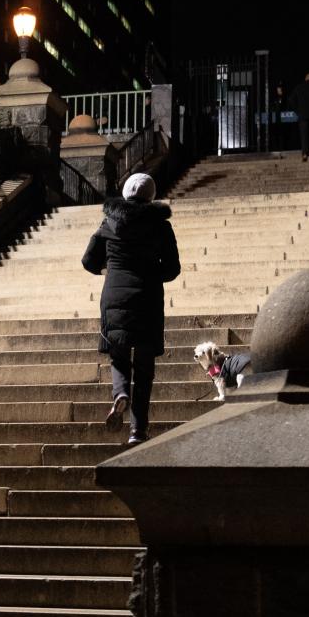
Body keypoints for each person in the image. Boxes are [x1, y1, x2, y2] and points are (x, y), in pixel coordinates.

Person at [81, 170, 180, 445]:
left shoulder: (109, 222)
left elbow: (89, 260)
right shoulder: (160, 226)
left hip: (115, 295)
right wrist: (150, 272)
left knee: (118, 354)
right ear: (151, 196)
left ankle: (120, 393)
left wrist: (109, 270)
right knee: (145, 368)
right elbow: (172, 269)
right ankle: (138, 431)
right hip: (147, 297)